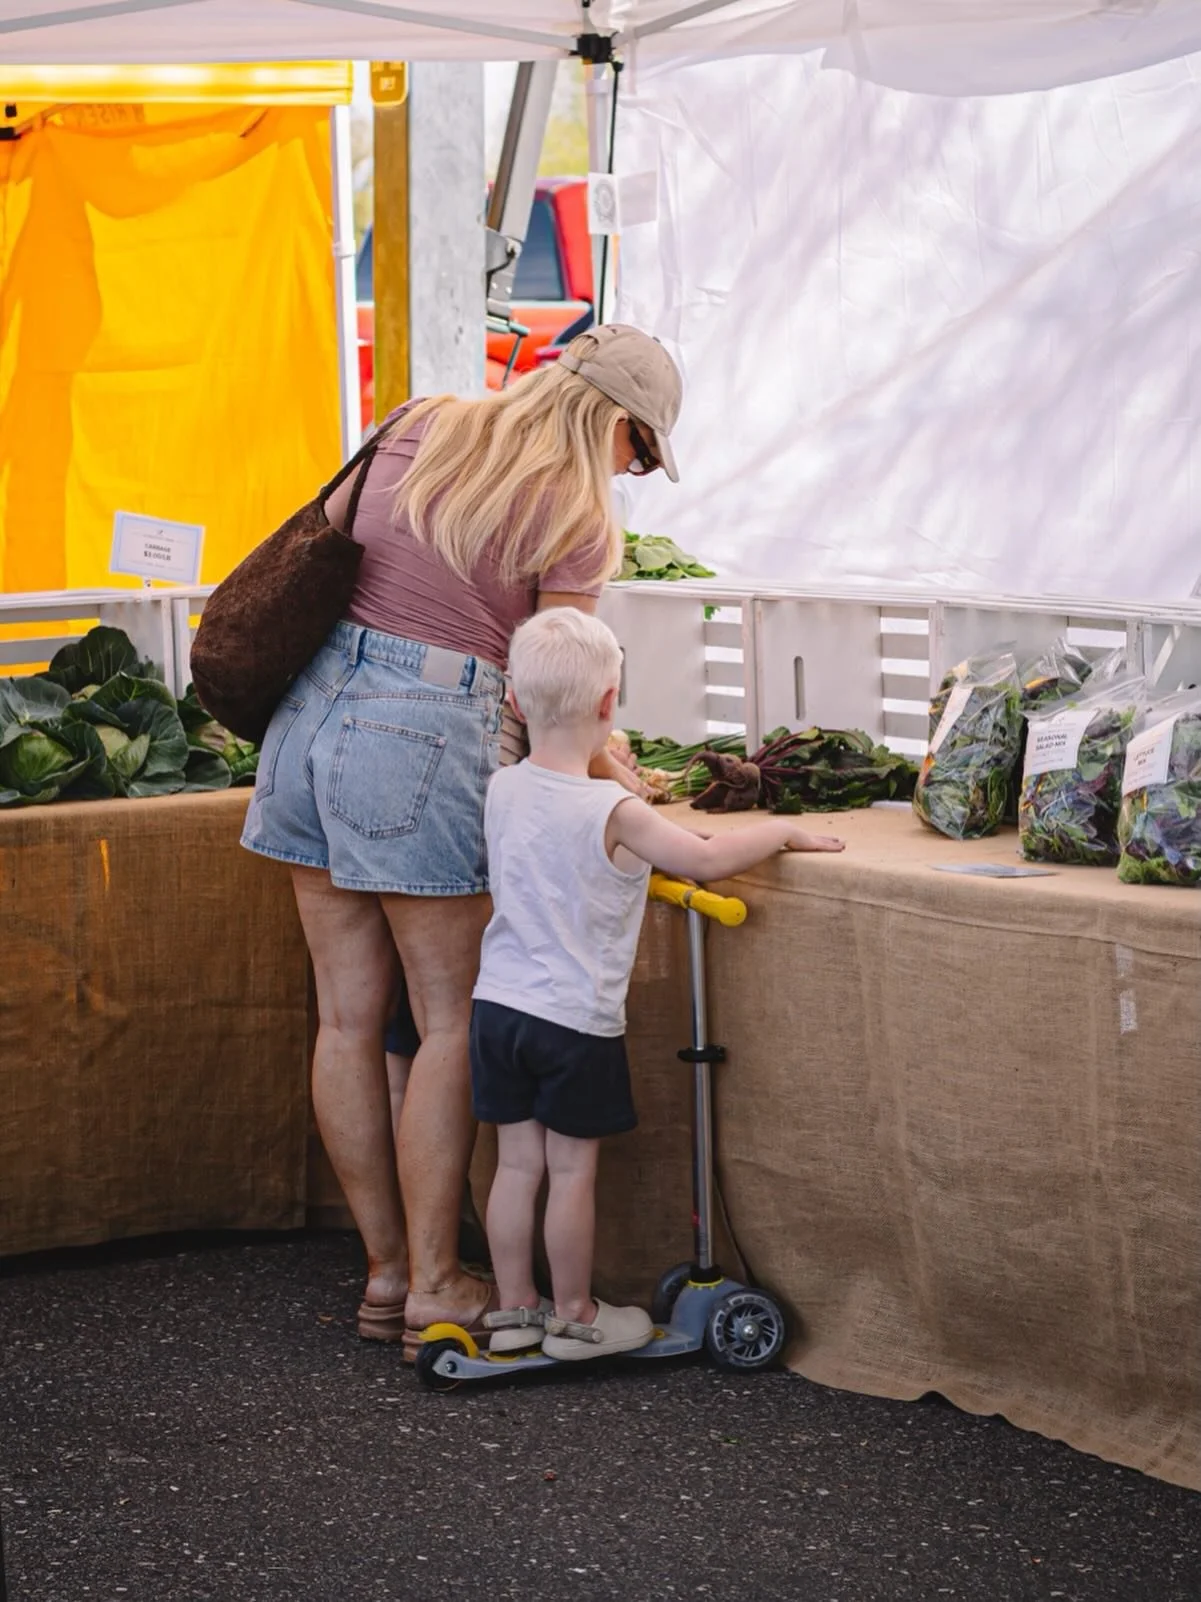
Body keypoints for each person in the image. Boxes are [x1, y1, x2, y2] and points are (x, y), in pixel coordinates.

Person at [240, 325, 683, 1351]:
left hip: (303, 719)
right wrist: (617, 770)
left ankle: (388, 1276)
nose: (638, 471)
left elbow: (327, 551)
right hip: (425, 736)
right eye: (644, 451)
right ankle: (442, 1282)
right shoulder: (577, 511)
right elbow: (553, 686)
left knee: (346, 1021)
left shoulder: (419, 422)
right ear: (615, 423)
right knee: (446, 1024)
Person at [471, 608, 845, 1360]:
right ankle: (575, 1315)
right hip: (571, 1020)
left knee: (517, 1165)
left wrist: (599, 757)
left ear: (512, 702)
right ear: (610, 706)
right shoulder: (613, 810)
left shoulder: (502, 787)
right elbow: (702, 858)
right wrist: (780, 831)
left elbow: (558, 787)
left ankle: (515, 1311)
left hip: (497, 1008)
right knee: (571, 1171)